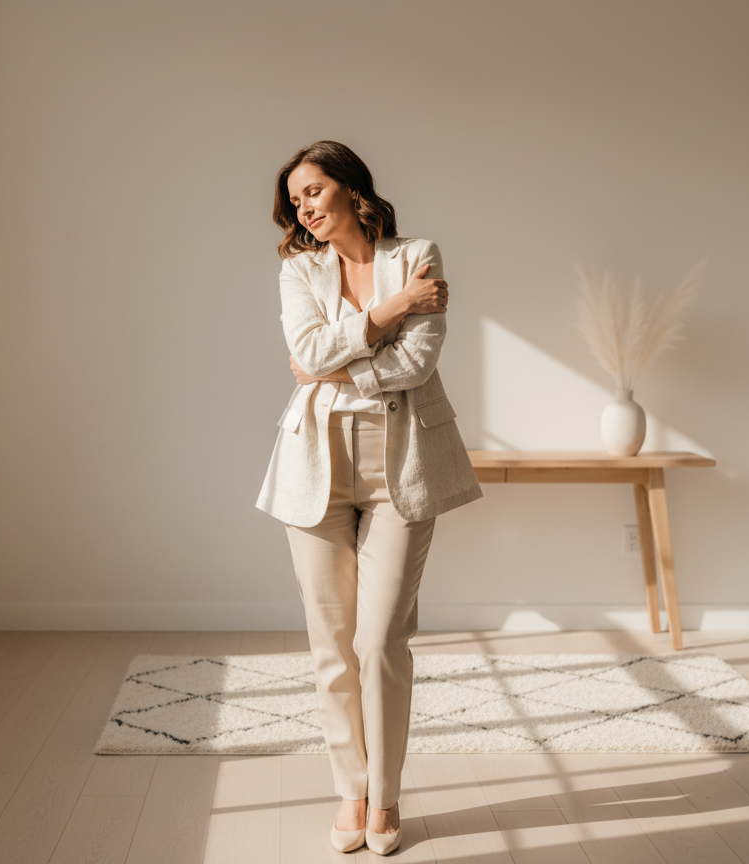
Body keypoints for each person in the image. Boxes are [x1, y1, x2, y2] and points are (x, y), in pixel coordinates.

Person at [256, 140, 483, 855]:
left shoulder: (417, 255)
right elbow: (307, 352)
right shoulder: (300, 269)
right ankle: (350, 793)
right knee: (331, 643)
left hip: (402, 465)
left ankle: (385, 797)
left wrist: (336, 361)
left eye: (313, 191)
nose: (304, 209)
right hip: (315, 465)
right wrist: (395, 308)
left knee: (380, 639)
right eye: (295, 200)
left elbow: (415, 363)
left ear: (351, 189)